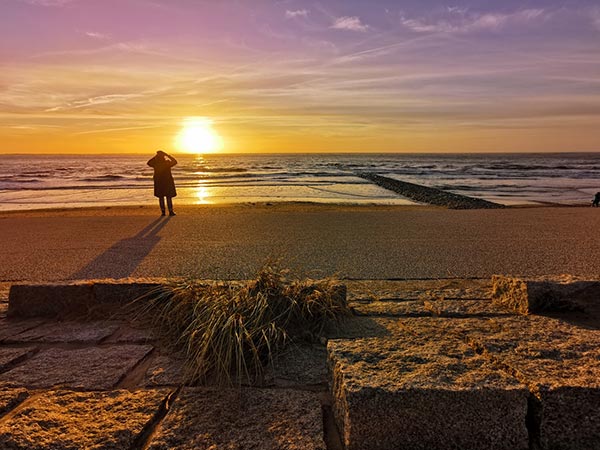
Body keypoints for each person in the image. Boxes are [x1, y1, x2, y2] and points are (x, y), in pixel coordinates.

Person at [147, 150, 178, 216]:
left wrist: (155, 156)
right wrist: (167, 155)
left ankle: (163, 212)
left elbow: (149, 163)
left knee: (161, 197)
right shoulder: (167, 163)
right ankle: (170, 211)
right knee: (168, 197)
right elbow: (175, 162)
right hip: (167, 181)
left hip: (159, 182)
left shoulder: (156, 164)